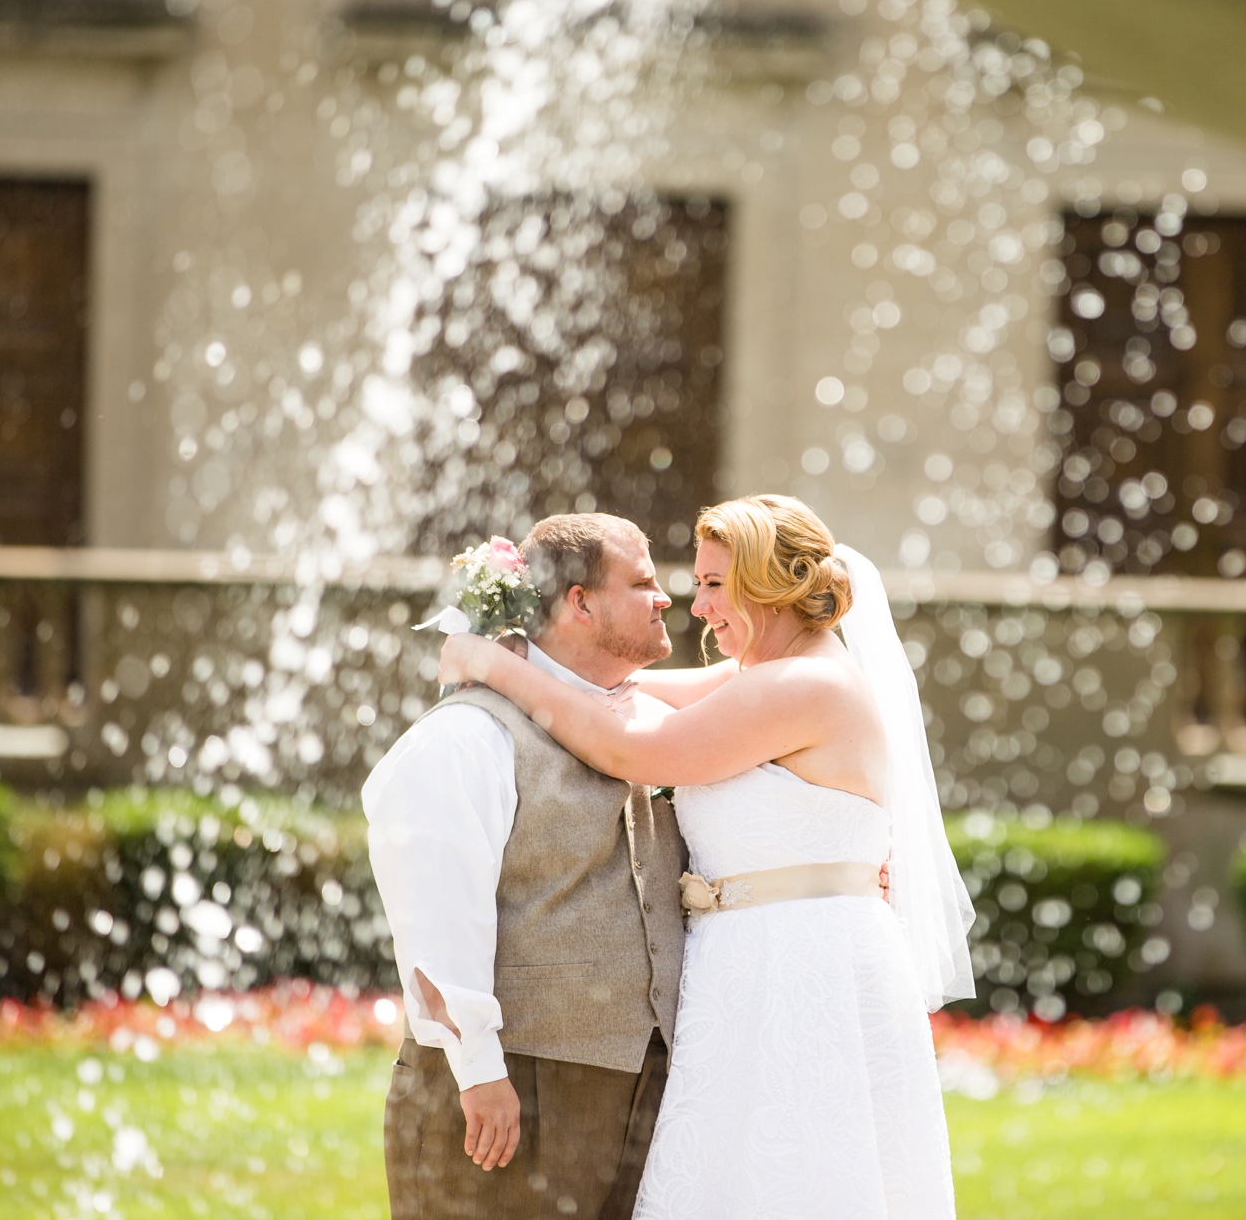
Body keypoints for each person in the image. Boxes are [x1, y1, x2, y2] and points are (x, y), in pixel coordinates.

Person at [437, 494, 975, 1220]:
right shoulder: (764, 676)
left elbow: (635, 746)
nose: (699, 608)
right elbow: (620, 692)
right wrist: (527, 650)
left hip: (801, 971)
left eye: (715, 584)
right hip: (747, 968)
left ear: (768, 583)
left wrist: (488, 668)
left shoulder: (807, 684)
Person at [365, 512, 688, 1220]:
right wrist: (480, 1071)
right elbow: (438, 912)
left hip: (634, 1086)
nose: (667, 597)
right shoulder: (466, 736)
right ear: (580, 602)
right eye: (642, 583)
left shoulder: (638, 723)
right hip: (508, 1093)